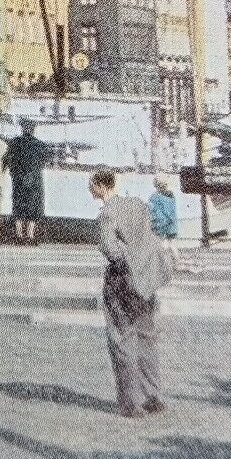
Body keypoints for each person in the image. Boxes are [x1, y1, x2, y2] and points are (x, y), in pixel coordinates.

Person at [89, 169, 172, 417]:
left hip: (122, 281)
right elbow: (153, 234)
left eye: (91, 186)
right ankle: (153, 396)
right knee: (147, 337)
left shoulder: (106, 213)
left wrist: (125, 262)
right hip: (146, 281)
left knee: (122, 338)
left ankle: (130, 402)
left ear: (101, 186)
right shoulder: (137, 205)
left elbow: (109, 249)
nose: (90, 190)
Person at [5, 120, 49, 243]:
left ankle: (19, 235)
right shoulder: (40, 145)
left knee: (18, 206)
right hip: (34, 180)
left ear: (22, 129)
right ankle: (30, 235)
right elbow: (44, 161)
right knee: (33, 207)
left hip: (18, 180)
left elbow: (8, 160)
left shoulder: (14, 143)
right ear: (33, 129)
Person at [148, 174, 178, 241]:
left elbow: (152, 210)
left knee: (164, 242)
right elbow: (171, 211)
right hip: (168, 224)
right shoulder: (169, 195)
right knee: (171, 242)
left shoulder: (154, 197)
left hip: (161, 225)